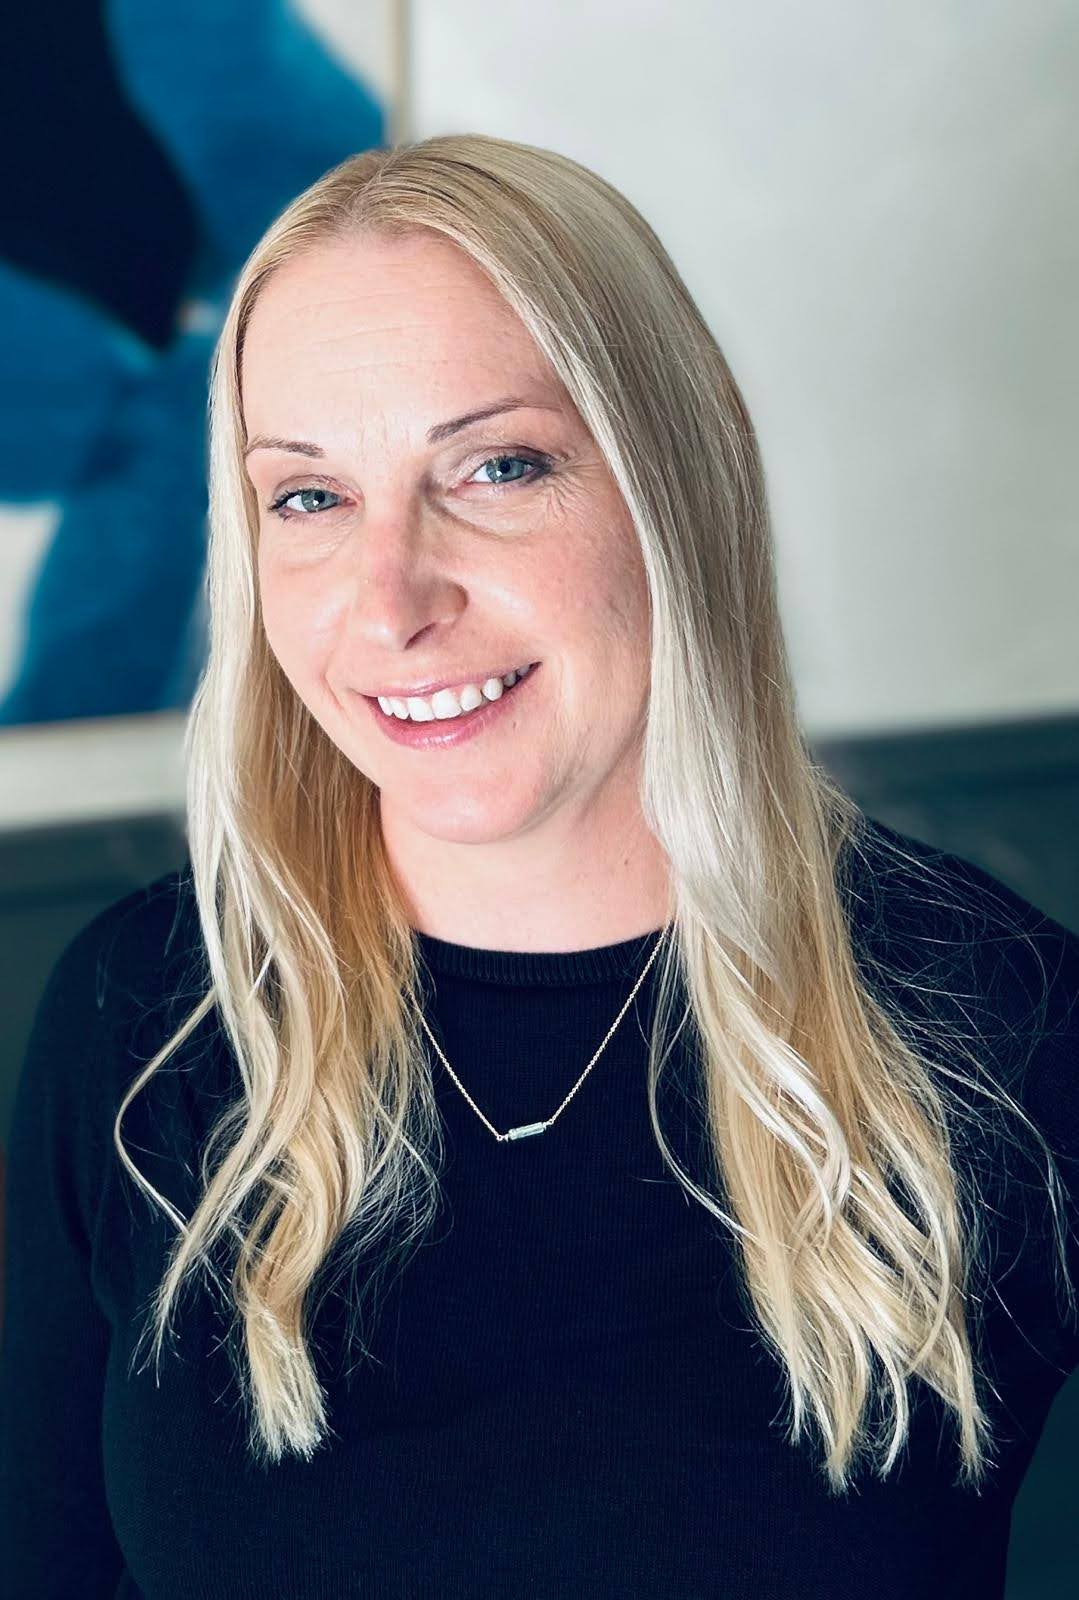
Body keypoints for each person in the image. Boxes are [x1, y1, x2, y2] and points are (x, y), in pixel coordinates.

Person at [1, 132, 1077, 1599]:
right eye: (308, 496)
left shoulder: (998, 1026)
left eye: (498, 466)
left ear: (672, 481)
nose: (392, 602)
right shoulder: (143, 1018)